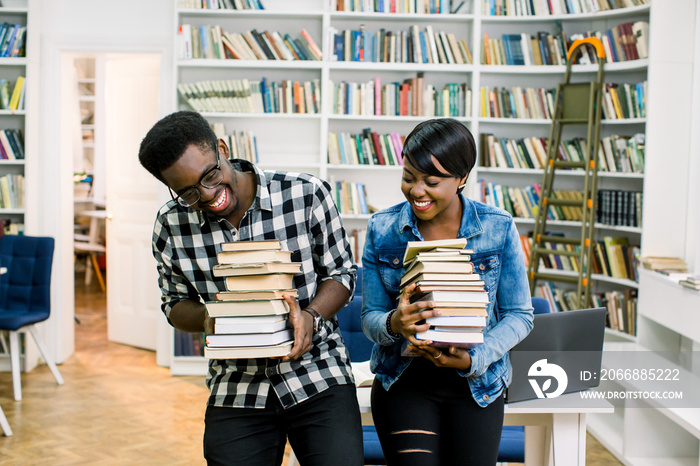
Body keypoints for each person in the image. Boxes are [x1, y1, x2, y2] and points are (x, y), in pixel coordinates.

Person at [138, 110, 363, 466]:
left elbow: (342, 274)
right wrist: (216, 317)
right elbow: (174, 305)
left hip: (318, 370)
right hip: (236, 383)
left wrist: (310, 315)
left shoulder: (305, 194)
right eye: (189, 193)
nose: (209, 195)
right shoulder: (171, 225)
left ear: (223, 149)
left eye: (210, 176)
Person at [360, 118, 534, 465]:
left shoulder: (497, 227)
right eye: (409, 177)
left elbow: (520, 315)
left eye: (432, 181)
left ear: (462, 179)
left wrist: (476, 357)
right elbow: (370, 318)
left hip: (477, 384)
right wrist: (396, 323)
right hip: (404, 381)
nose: (417, 191)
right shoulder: (383, 229)